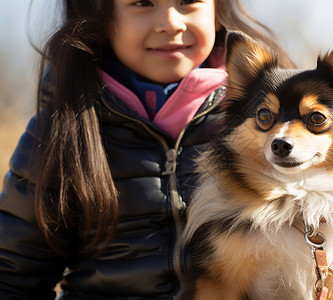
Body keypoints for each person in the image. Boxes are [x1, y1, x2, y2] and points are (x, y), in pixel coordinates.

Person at [0, 0, 293, 298]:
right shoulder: (62, 125)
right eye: (142, 3)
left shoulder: (277, 121)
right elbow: (13, 276)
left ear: (218, 9)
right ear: (102, 13)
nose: (171, 22)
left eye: (188, 2)